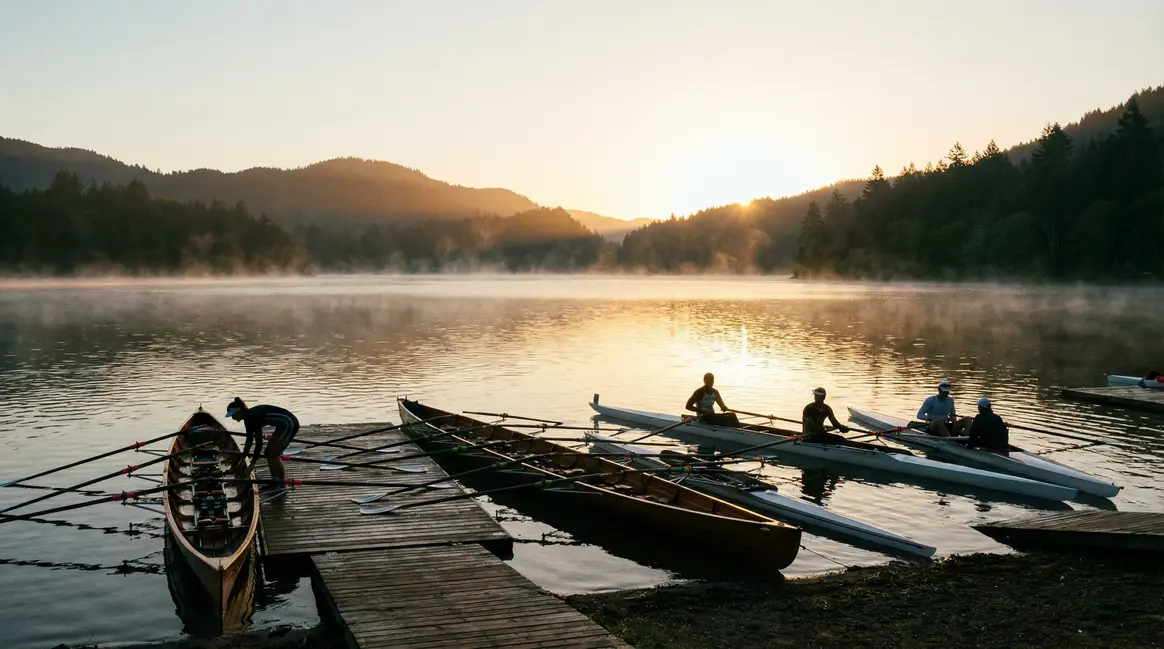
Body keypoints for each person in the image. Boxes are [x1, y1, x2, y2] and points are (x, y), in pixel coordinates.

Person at [225, 397, 300, 489]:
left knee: (273, 454)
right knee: (268, 453)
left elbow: (259, 443)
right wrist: (243, 458)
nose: (232, 418)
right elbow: (249, 440)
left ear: (238, 411)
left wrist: (252, 464)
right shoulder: (248, 418)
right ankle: (275, 481)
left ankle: (280, 483)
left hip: (288, 423)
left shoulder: (252, 416)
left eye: (232, 415)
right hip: (284, 424)